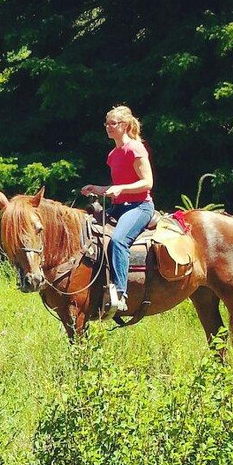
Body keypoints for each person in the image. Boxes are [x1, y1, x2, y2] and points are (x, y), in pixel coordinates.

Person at [80, 105, 155, 316]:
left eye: (113, 123)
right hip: (119, 206)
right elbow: (115, 188)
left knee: (118, 240)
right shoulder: (113, 154)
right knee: (90, 232)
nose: (108, 127)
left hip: (140, 206)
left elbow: (147, 183)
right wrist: (96, 189)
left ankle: (120, 293)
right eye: (107, 123)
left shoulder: (135, 149)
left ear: (125, 125)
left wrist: (121, 188)